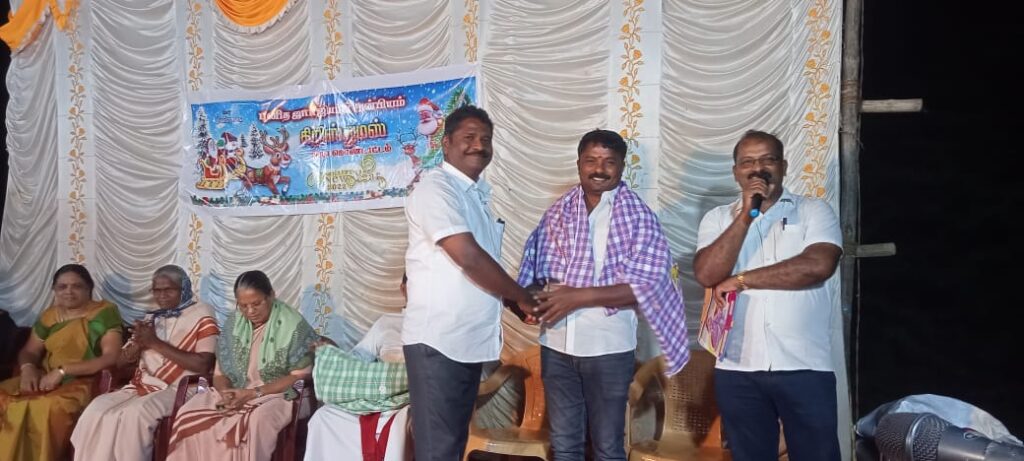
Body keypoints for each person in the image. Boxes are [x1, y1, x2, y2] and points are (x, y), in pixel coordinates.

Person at [517, 129, 689, 461]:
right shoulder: (557, 212)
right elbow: (535, 274)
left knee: (607, 447)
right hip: (556, 344)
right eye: (591, 160)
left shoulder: (639, 218)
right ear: (578, 164)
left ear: (622, 166)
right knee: (564, 445)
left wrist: (577, 297)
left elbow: (650, 287)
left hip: (608, 347)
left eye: (609, 162)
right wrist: (531, 300)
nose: (599, 169)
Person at [692, 130, 843, 461]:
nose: (757, 168)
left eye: (767, 160)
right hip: (737, 368)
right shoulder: (718, 218)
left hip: (804, 365)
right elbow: (706, 274)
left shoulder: (814, 210)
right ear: (736, 172)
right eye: (747, 162)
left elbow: (818, 265)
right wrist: (746, 215)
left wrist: (741, 280)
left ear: (784, 166)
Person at [402, 105, 538, 461]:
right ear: (446, 144)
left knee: (452, 445)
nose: (479, 145)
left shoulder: (474, 194)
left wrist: (511, 301)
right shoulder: (435, 189)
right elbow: (468, 257)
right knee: (438, 450)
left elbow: (479, 269)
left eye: (486, 139)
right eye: (469, 137)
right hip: (438, 341)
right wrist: (521, 296)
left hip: (464, 341)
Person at [70, 264, 219, 460]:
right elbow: (119, 363)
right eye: (157, 290)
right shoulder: (151, 317)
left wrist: (154, 342)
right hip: (143, 385)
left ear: (184, 288)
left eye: (169, 290)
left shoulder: (202, 313)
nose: (162, 296)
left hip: (183, 388)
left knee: (135, 414)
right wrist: (137, 347)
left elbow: (203, 365)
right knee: (95, 410)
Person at [166, 270, 319, 461]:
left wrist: (253, 393)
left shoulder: (294, 325)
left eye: (256, 303)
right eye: (243, 306)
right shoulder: (234, 323)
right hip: (237, 391)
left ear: (271, 295)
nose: (250, 311)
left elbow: (298, 377)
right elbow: (220, 374)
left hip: (280, 395)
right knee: (188, 412)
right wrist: (226, 394)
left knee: (255, 421)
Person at [0, 264, 124, 461]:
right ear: (54, 290)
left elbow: (111, 357)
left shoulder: (104, 313)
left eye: (77, 286)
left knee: (46, 407)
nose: (69, 291)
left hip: (83, 381)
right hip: (44, 377)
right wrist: (28, 368)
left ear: (89, 288)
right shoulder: (50, 315)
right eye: (62, 286)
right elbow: (30, 351)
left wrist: (63, 371)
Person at [305, 274, 411, 461]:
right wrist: (330, 351)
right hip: (380, 392)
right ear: (403, 289)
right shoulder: (387, 322)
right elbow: (358, 358)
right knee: (323, 417)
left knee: (399, 427)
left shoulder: (440, 325)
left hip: (409, 400)